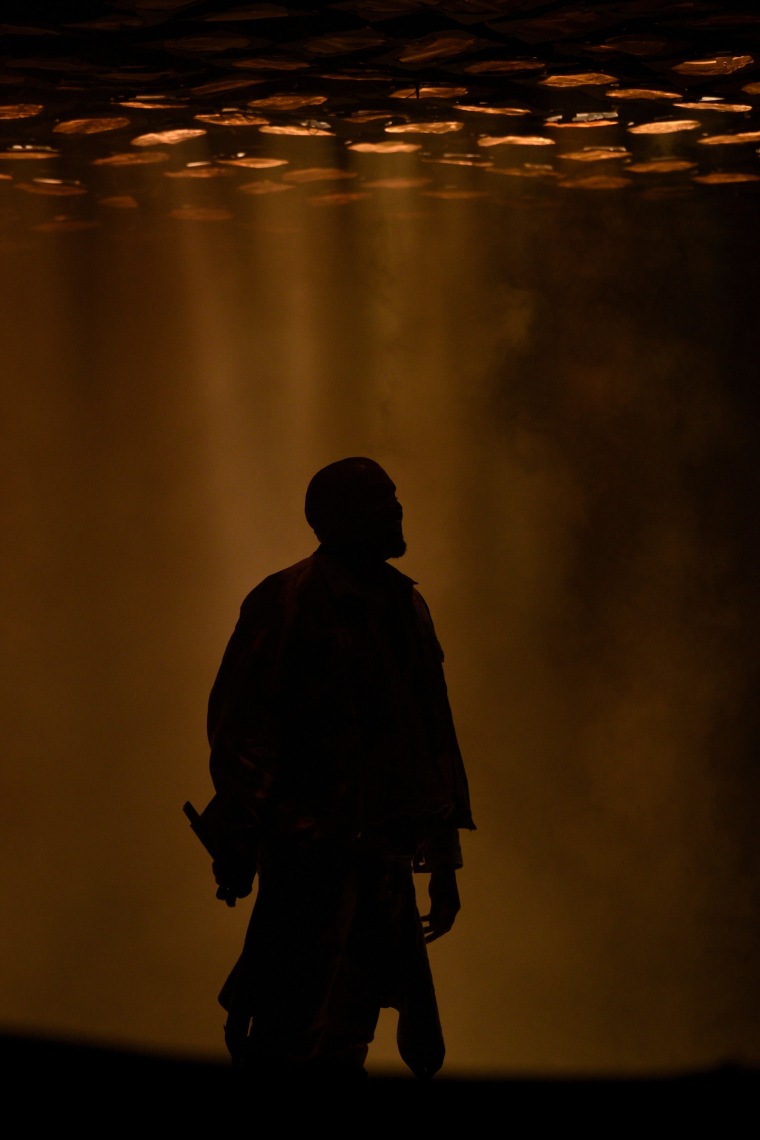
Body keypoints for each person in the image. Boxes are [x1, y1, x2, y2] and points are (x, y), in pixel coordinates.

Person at [200, 457, 474, 1081]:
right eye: (383, 499)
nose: (397, 510)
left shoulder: (405, 606)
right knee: (288, 1025)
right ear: (342, 516)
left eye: (395, 498)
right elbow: (241, 726)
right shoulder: (287, 600)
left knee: (353, 1025)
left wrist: (443, 857)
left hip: (382, 855)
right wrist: (250, 830)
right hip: (309, 854)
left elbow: (432, 733)